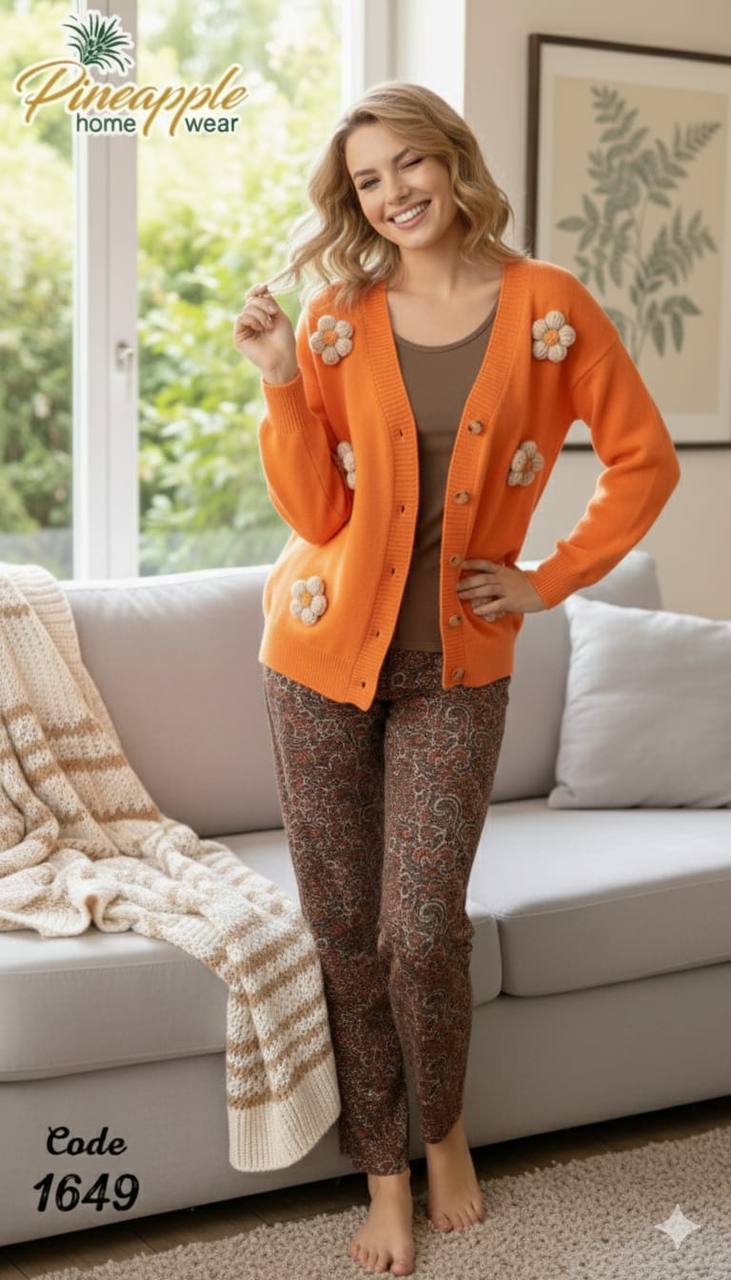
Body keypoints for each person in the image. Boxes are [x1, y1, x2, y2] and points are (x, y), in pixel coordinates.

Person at [232, 80, 680, 1277]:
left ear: (451, 160)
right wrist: (281, 377)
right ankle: (383, 1167)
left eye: (407, 166)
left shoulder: (547, 305)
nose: (392, 195)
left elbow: (642, 462)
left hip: (456, 668)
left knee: (419, 925)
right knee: (342, 929)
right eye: (366, 182)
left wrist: (548, 579)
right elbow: (318, 509)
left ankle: (444, 1131)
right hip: (318, 656)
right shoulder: (334, 316)